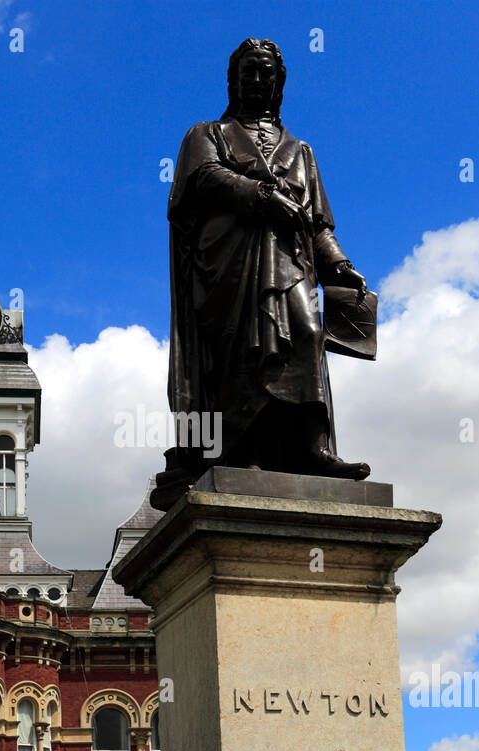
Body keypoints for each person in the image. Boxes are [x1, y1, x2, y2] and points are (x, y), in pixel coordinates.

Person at [155, 38, 373, 508]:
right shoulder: (206, 134)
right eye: (248, 71)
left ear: (279, 83)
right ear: (232, 80)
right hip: (230, 268)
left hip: (290, 264)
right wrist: (260, 197)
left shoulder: (301, 150)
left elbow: (317, 222)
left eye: (266, 72)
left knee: (306, 333)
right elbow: (204, 179)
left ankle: (311, 448)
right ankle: (242, 451)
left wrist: (339, 263)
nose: (257, 79)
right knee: (241, 351)